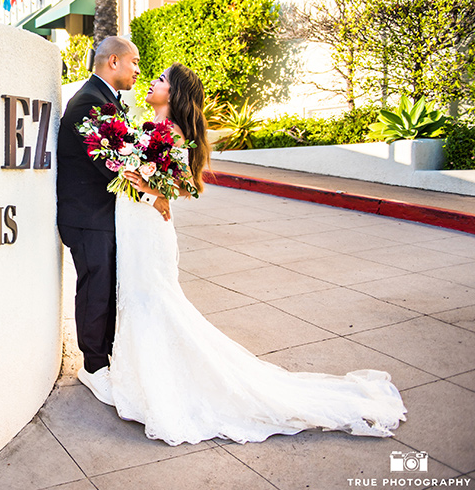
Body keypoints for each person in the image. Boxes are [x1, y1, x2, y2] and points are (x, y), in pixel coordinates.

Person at [109, 63, 407, 445]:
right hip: (136, 227)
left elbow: (181, 188)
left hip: (148, 230)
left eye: (162, 80)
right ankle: (142, 379)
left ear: (176, 94)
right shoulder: (149, 127)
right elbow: (171, 184)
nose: (153, 82)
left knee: (153, 301)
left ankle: (161, 388)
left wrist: (149, 189)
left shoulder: (173, 133)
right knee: (140, 299)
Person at [56, 36, 170, 406]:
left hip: (102, 216)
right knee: (95, 289)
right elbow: (110, 165)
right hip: (87, 217)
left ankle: (102, 360)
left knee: (105, 287)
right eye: (135, 62)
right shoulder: (90, 102)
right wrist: (152, 192)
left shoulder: (105, 100)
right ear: (114, 61)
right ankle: (91, 366)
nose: (139, 70)